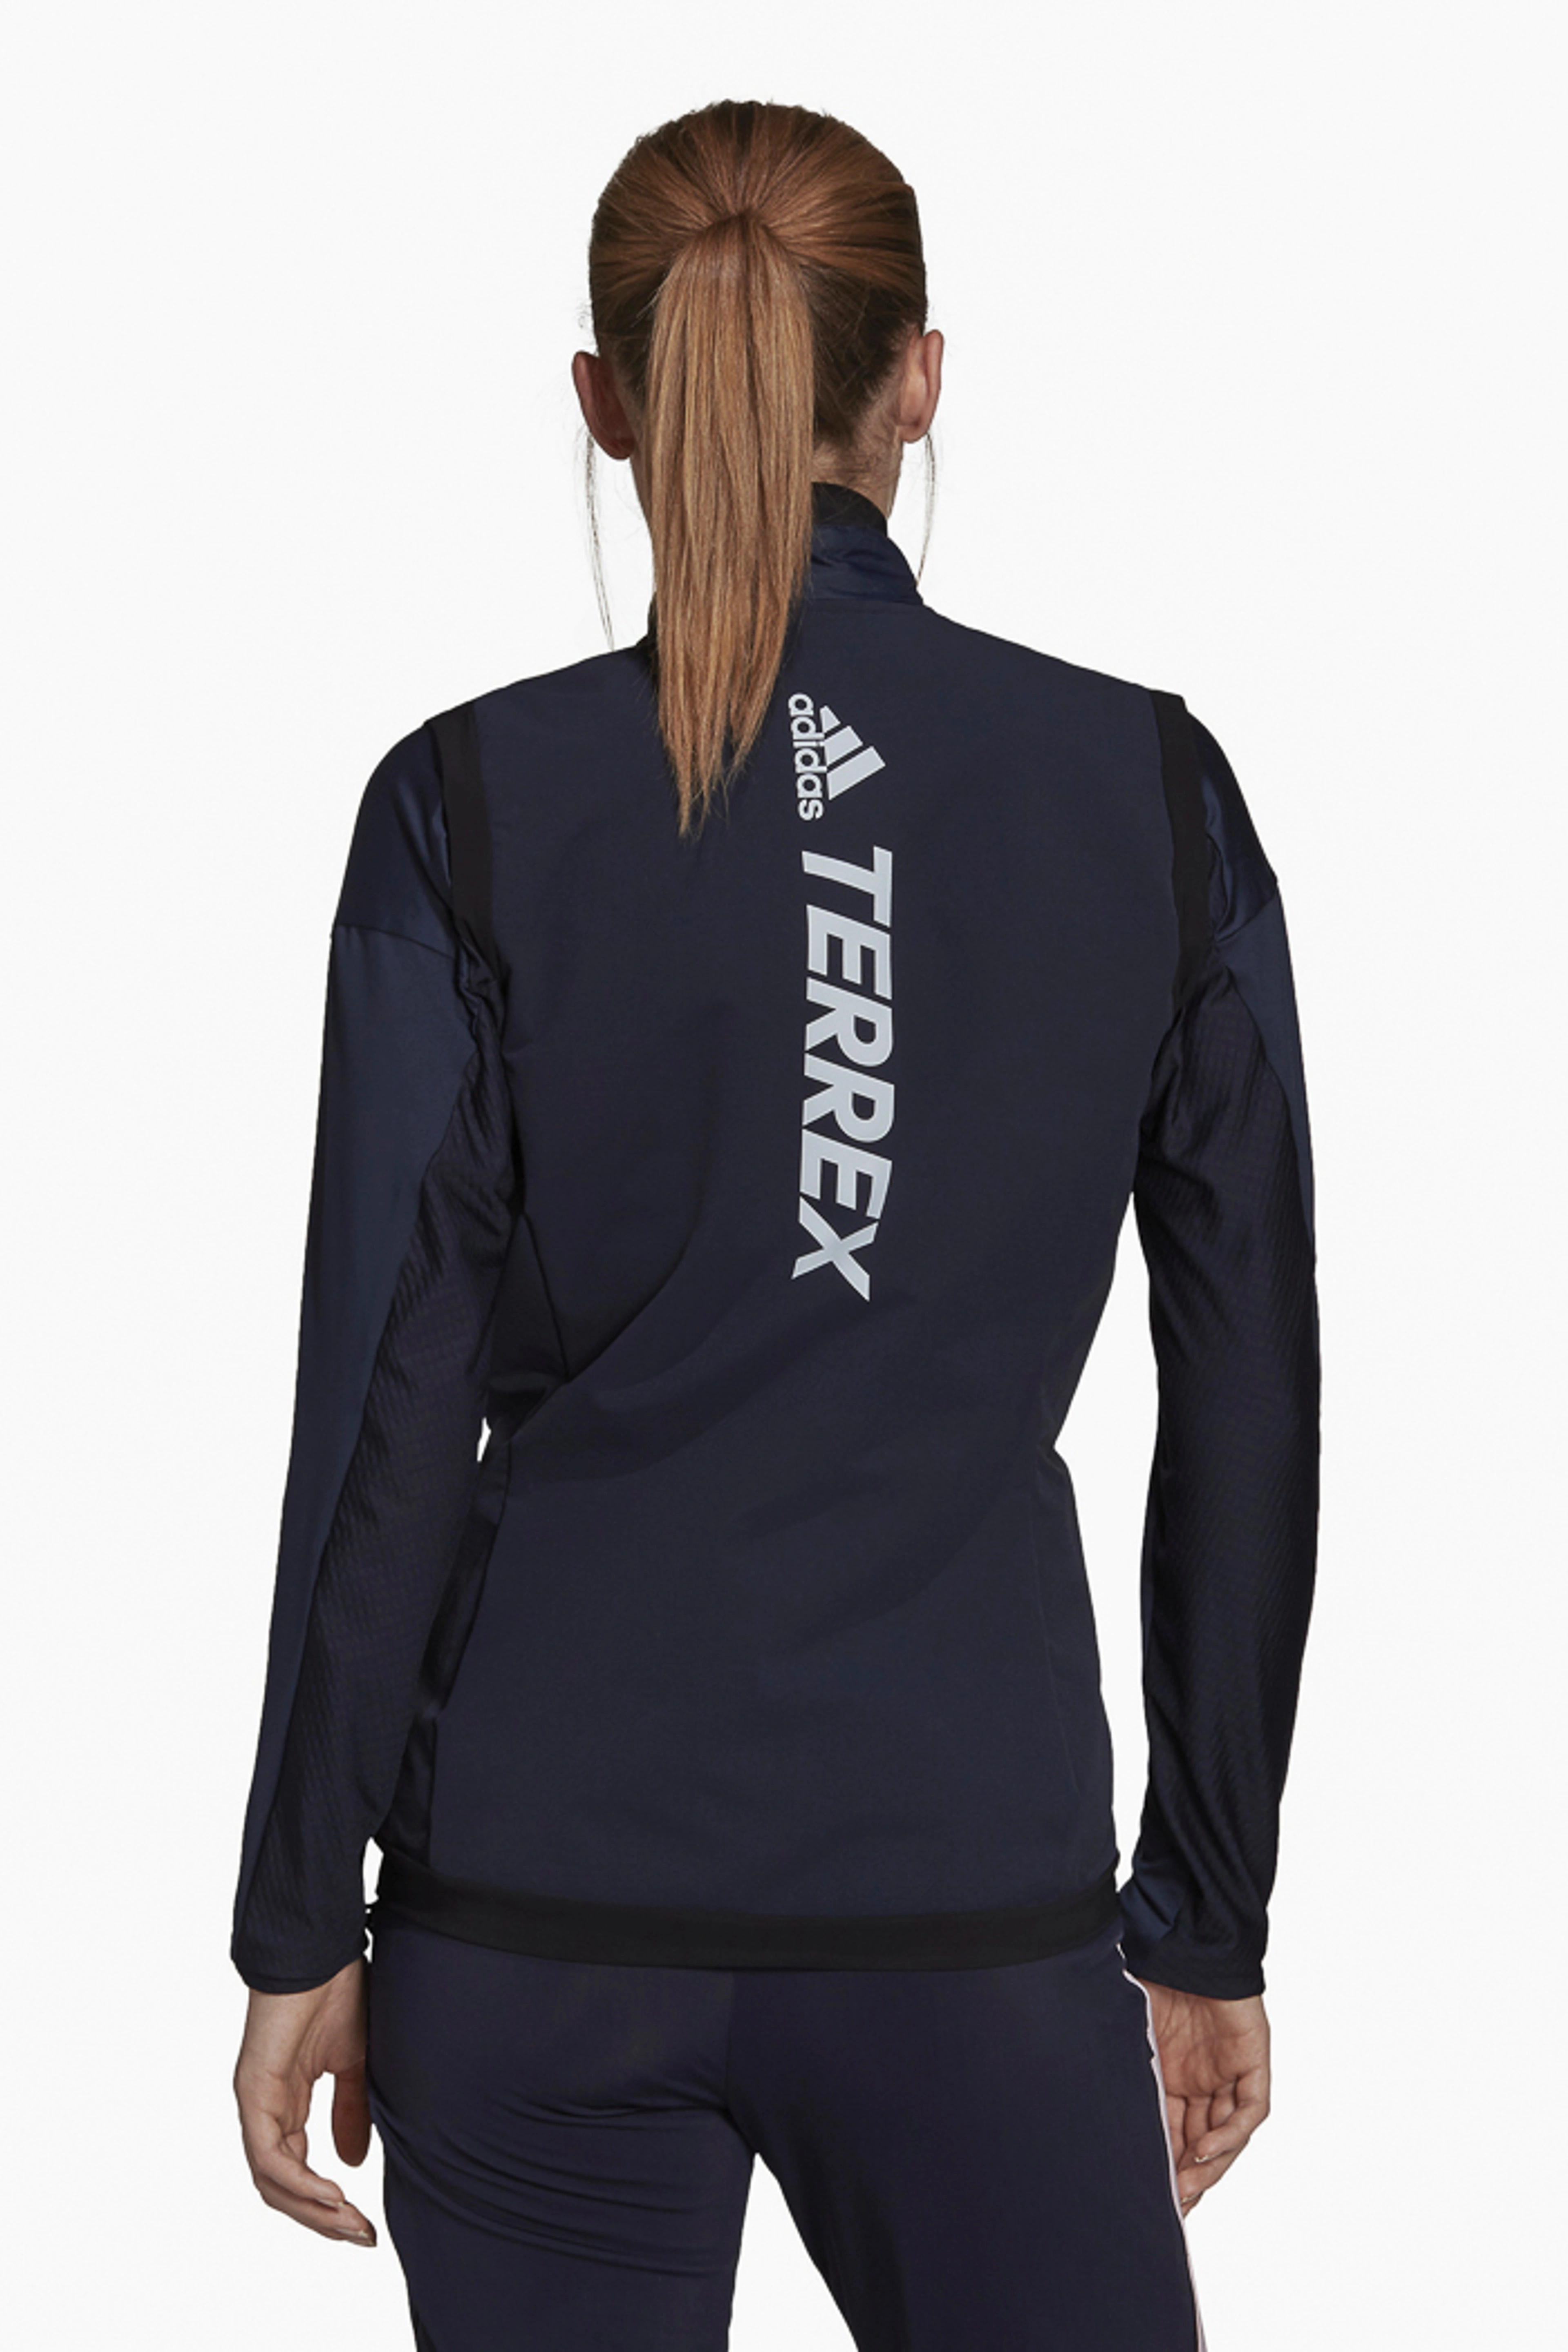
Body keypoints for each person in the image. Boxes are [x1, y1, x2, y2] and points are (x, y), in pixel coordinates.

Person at [230, 98, 1319, 2352]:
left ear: (605, 399)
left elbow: (382, 1401)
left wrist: (298, 1912)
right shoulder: (1147, 794)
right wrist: (1206, 1912)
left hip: (535, 1905)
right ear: (918, 377)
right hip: (967, 1908)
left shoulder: (471, 803)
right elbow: (1250, 1391)